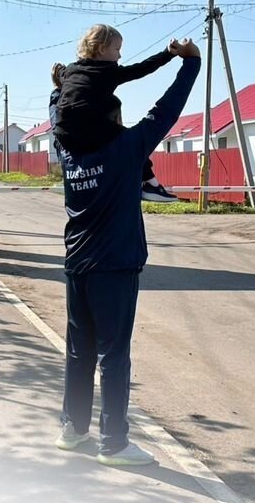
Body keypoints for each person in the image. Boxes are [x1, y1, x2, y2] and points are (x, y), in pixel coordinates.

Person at [55, 37, 202, 466]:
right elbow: (165, 111)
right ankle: (114, 444)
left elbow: (59, 112)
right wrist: (191, 64)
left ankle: (73, 429)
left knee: (79, 351)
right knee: (113, 355)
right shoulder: (126, 149)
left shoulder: (67, 153)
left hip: (76, 265)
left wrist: (58, 88)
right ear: (109, 116)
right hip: (114, 266)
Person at [53, 24, 179, 202]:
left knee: (106, 119)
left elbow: (61, 73)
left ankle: (76, 180)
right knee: (131, 141)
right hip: (86, 128)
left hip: (62, 134)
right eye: (117, 49)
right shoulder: (108, 71)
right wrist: (168, 53)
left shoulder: (71, 69)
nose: (120, 56)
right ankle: (150, 184)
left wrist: (58, 71)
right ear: (101, 49)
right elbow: (142, 68)